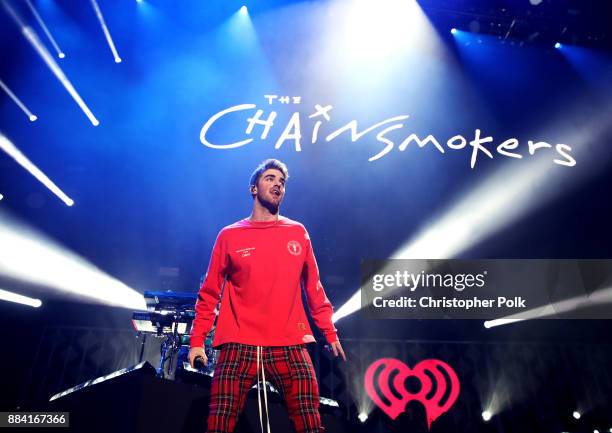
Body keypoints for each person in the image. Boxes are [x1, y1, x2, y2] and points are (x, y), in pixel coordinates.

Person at [189, 159, 346, 433]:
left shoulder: (297, 232)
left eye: (282, 182)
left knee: (311, 423)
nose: (277, 185)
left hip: (289, 342)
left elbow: (314, 288)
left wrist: (329, 332)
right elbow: (209, 293)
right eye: (270, 178)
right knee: (218, 424)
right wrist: (197, 342)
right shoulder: (229, 235)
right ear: (253, 188)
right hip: (238, 344)